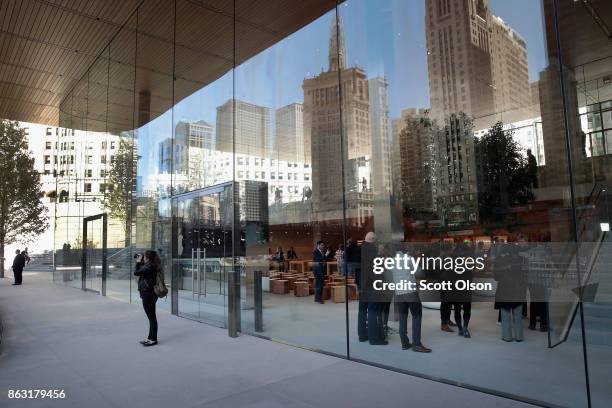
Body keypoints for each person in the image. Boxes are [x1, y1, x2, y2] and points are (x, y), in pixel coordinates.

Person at [392, 243, 432, 352]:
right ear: (404, 249)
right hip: (410, 291)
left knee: (402, 317)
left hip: (399, 293)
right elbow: (419, 272)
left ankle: (404, 343)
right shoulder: (408, 259)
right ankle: (417, 344)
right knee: (417, 315)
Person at [494, 244, 527, 342]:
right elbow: (525, 274)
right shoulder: (523, 260)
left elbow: (496, 277)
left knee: (505, 315)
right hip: (519, 289)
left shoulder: (501, 261)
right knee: (518, 315)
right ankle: (519, 336)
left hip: (505, 289)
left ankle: (507, 337)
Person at [360, 232, 387, 345]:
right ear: (373, 240)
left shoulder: (361, 249)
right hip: (372, 286)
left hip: (363, 285)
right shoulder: (372, 252)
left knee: (362, 311)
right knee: (373, 311)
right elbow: (375, 272)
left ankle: (362, 335)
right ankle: (374, 338)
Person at [135, 250, 162, 346]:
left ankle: (153, 339)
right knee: (151, 317)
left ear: (147, 257)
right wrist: (140, 262)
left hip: (148, 294)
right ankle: (150, 337)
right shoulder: (150, 265)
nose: (143, 258)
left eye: (144, 256)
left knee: (152, 317)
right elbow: (141, 270)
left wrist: (138, 262)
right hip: (149, 293)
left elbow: (136, 272)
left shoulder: (150, 266)